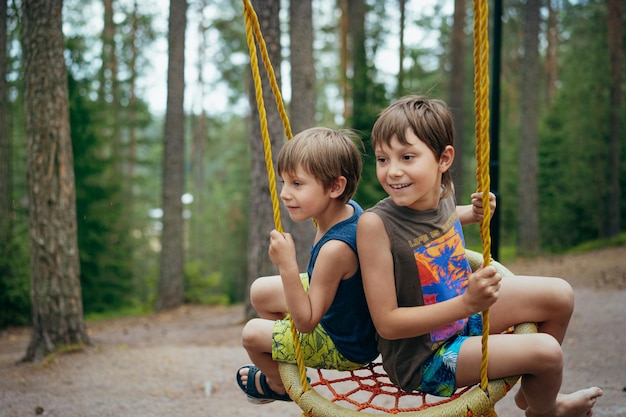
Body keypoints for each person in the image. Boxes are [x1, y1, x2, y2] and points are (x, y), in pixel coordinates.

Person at [356, 95, 603, 417]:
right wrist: (466, 304)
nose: (392, 172)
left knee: (559, 294)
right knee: (547, 353)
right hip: (426, 357)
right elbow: (387, 324)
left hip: (463, 314)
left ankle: (532, 396)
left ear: (443, 160)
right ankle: (549, 410)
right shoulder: (374, 226)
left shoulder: (442, 193)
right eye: (382, 159)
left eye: (406, 156)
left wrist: (471, 214)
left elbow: (437, 220)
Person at [236, 127, 378, 404]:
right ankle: (282, 350)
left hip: (344, 343)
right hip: (341, 307)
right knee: (260, 290)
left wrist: (287, 265)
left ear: (335, 187)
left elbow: (306, 323)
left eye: (297, 184)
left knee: (252, 335)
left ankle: (277, 384)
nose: (285, 194)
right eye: (284, 182)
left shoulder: (335, 249)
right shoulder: (349, 210)